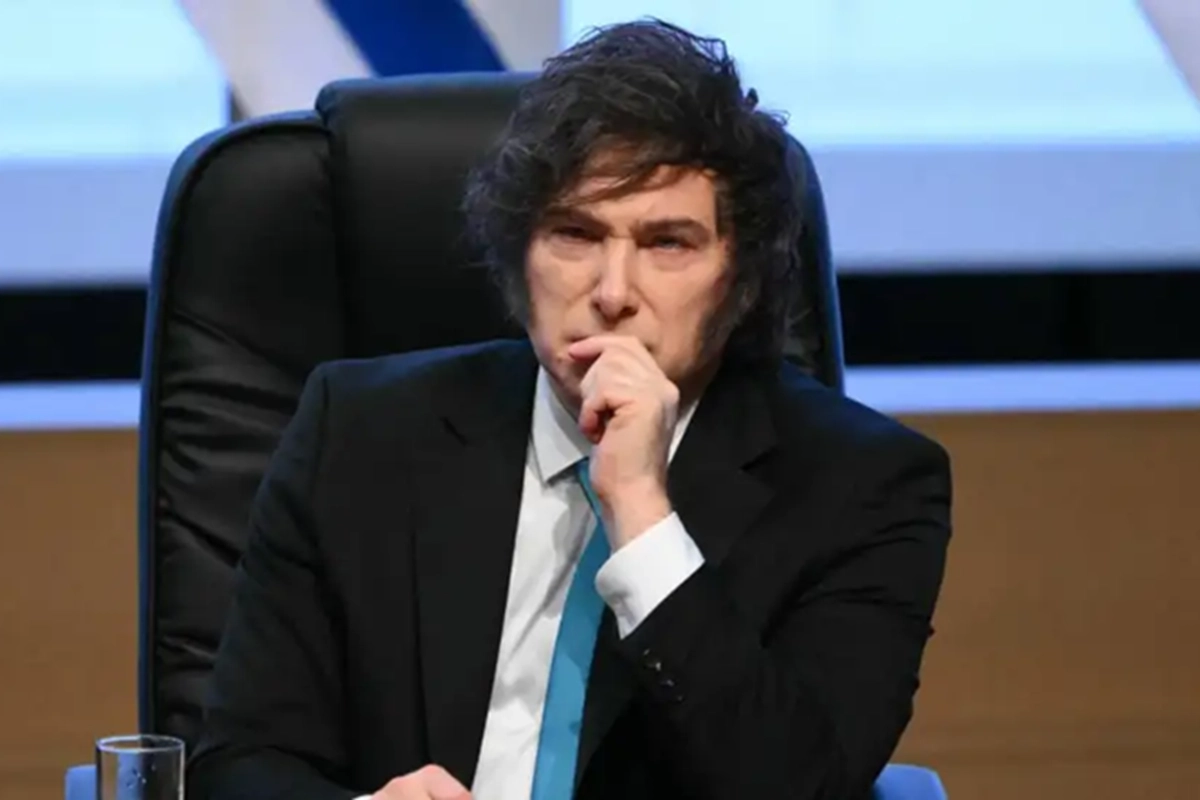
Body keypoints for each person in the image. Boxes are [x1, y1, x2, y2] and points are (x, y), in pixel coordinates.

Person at [187, 18, 952, 800]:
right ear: (519, 256)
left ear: (740, 281)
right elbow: (240, 763)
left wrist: (642, 514)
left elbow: (800, 786)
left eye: (667, 243)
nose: (613, 293)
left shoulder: (866, 488)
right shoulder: (357, 434)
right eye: (574, 234)